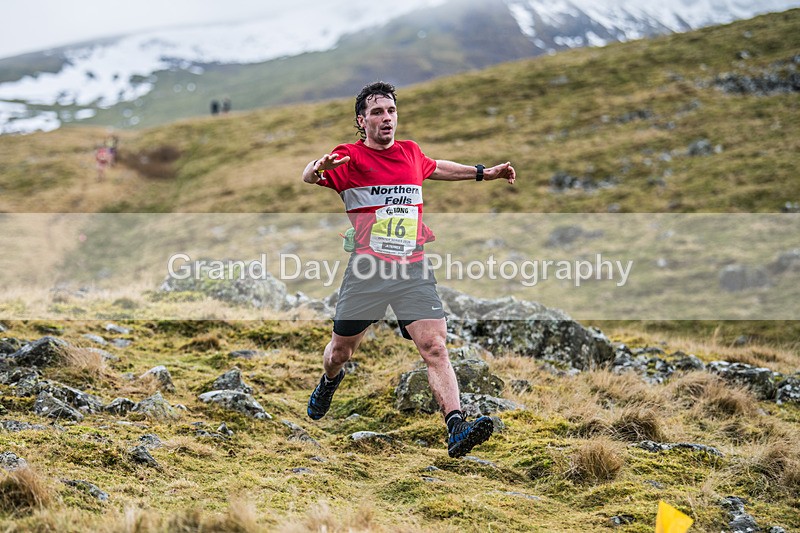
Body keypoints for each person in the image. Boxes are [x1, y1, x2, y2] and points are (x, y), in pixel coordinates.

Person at [302, 81, 516, 458]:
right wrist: (317, 167)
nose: (387, 118)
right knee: (340, 353)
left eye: (391, 111)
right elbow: (310, 175)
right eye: (377, 112)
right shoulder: (347, 157)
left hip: (412, 268)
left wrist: (486, 173)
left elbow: (438, 168)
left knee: (435, 346)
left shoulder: (411, 152)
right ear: (361, 120)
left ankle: (456, 425)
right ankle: (329, 381)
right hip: (368, 271)